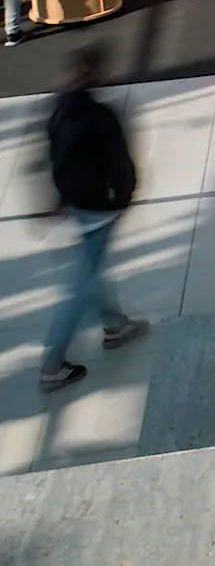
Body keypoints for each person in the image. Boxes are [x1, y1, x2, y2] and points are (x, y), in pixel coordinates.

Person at [40, 48, 146, 391]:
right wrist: (126, 195)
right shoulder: (100, 116)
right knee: (81, 286)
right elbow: (119, 162)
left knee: (90, 268)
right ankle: (52, 364)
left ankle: (115, 324)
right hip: (101, 207)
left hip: (76, 203)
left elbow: (53, 160)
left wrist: (58, 200)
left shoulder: (57, 112)